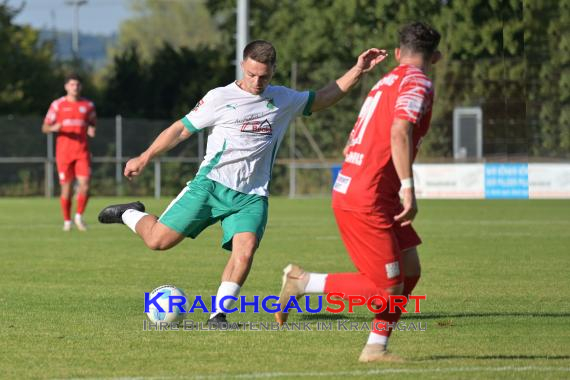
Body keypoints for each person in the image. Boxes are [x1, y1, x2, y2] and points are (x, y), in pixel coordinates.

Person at [98, 40, 388, 326]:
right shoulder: (219, 98)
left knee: (245, 250)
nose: (256, 81)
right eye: (251, 74)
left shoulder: (283, 99)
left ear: (273, 70)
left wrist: (358, 69)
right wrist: (145, 156)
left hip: (252, 196)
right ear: (242, 66)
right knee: (157, 241)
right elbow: (180, 130)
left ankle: (218, 316)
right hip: (210, 186)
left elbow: (325, 96)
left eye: (263, 75)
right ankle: (129, 212)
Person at [275, 22, 442, 362]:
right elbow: (399, 131)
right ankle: (302, 282)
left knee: (409, 270)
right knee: (387, 287)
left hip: (367, 190)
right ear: (435, 56)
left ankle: (375, 347)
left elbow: (350, 143)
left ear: (397, 53)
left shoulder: (383, 84)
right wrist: (409, 189)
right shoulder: (417, 81)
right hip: (369, 197)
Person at [42, 74, 96, 232]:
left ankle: (79, 216)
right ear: (66, 87)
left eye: (77, 84)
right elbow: (44, 127)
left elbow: (92, 123)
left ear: (81, 87)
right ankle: (67, 220)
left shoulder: (88, 105)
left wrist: (92, 129)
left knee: (85, 185)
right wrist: (53, 128)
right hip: (64, 154)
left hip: (82, 152)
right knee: (66, 189)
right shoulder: (57, 105)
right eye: (72, 84)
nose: (75, 87)